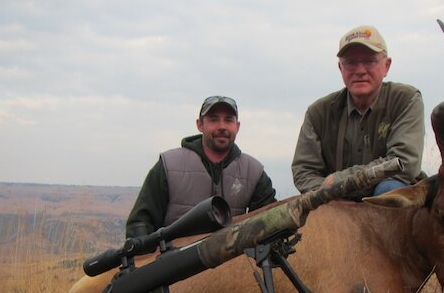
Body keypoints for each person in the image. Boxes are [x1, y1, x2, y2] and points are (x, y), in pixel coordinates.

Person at [292, 25, 426, 196]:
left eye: (370, 61)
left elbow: (404, 163)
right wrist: (331, 193)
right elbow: (304, 172)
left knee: (388, 189)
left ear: (386, 66)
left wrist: (340, 181)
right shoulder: (318, 112)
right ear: (341, 68)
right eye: (351, 63)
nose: (360, 71)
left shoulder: (406, 99)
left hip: (386, 198)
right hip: (336, 201)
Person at [126, 96, 277, 237]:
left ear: (237, 126)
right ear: (200, 125)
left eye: (228, 120)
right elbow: (140, 224)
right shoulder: (169, 165)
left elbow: (270, 225)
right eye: (213, 119)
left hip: (234, 263)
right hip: (178, 263)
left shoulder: (254, 172)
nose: (222, 126)